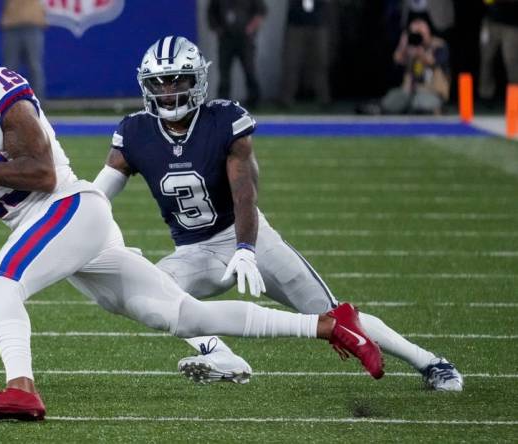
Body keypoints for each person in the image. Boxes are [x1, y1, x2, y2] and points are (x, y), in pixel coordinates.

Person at [0, 27, 385, 422]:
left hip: (71, 208)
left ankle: (21, 391)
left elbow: (40, 172)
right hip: (45, 225)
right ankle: (327, 325)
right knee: (183, 317)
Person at [93, 35, 463, 391]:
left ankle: (430, 361)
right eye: (159, 84)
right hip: (192, 252)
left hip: (246, 235)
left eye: (178, 81)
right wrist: (95, 236)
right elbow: (97, 198)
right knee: (150, 297)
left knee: (332, 315)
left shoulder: (224, 121)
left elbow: (244, 195)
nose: (169, 92)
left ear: (198, 80)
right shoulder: (135, 132)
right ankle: (220, 355)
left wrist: (245, 248)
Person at [379, 17, 450, 114]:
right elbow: (397, 62)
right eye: (415, 32)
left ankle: (436, 108)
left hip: (432, 91)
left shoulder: (439, 45)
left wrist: (421, 54)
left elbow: (436, 62)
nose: (418, 34)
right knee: (389, 102)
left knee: (419, 103)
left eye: (421, 30)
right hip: (409, 91)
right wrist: (403, 44)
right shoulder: (409, 47)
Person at [207, 0, 266, 107]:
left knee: (249, 69)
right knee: (224, 72)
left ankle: (254, 101)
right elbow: (211, 13)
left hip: (245, 39)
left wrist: (251, 28)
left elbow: (260, 11)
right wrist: (218, 29)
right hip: (226, 38)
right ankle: (223, 102)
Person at [279, 0, 332, 108]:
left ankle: (324, 98)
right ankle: (286, 99)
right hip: (296, 24)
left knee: (320, 62)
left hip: (318, 24)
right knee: (291, 61)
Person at [0, 0, 46, 98]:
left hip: (33, 25)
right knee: (10, 68)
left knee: (34, 67)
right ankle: (9, 102)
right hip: (12, 26)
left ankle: (38, 103)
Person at [478, 0, 518, 102]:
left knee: (511, 61)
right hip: (491, 22)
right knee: (486, 58)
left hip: (511, 25)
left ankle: (515, 95)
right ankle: (485, 95)